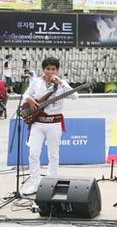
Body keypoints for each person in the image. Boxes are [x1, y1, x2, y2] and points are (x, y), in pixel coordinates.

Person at [20, 57, 79, 195]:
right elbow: (25, 95)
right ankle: (35, 184)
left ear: (57, 70)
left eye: (53, 69)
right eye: (47, 69)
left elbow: (75, 96)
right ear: (43, 69)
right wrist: (29, 98)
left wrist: (62, 84)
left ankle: (51, 182)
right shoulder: (36, 82)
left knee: (53, 154)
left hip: (54, 123)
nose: (50, 71)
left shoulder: (62, 83)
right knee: (33, 153)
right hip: (38, 123)